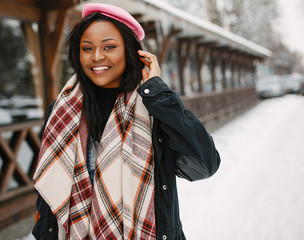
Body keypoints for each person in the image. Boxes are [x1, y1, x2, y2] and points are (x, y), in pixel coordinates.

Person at [32, 3, 220, 240]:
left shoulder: (154, 106)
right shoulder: (63, 110)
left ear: (131, 51)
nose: (97, 56)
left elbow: (204, 165)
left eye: (109, 46)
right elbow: (49, 194)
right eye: (87, 48)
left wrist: (160, 95)